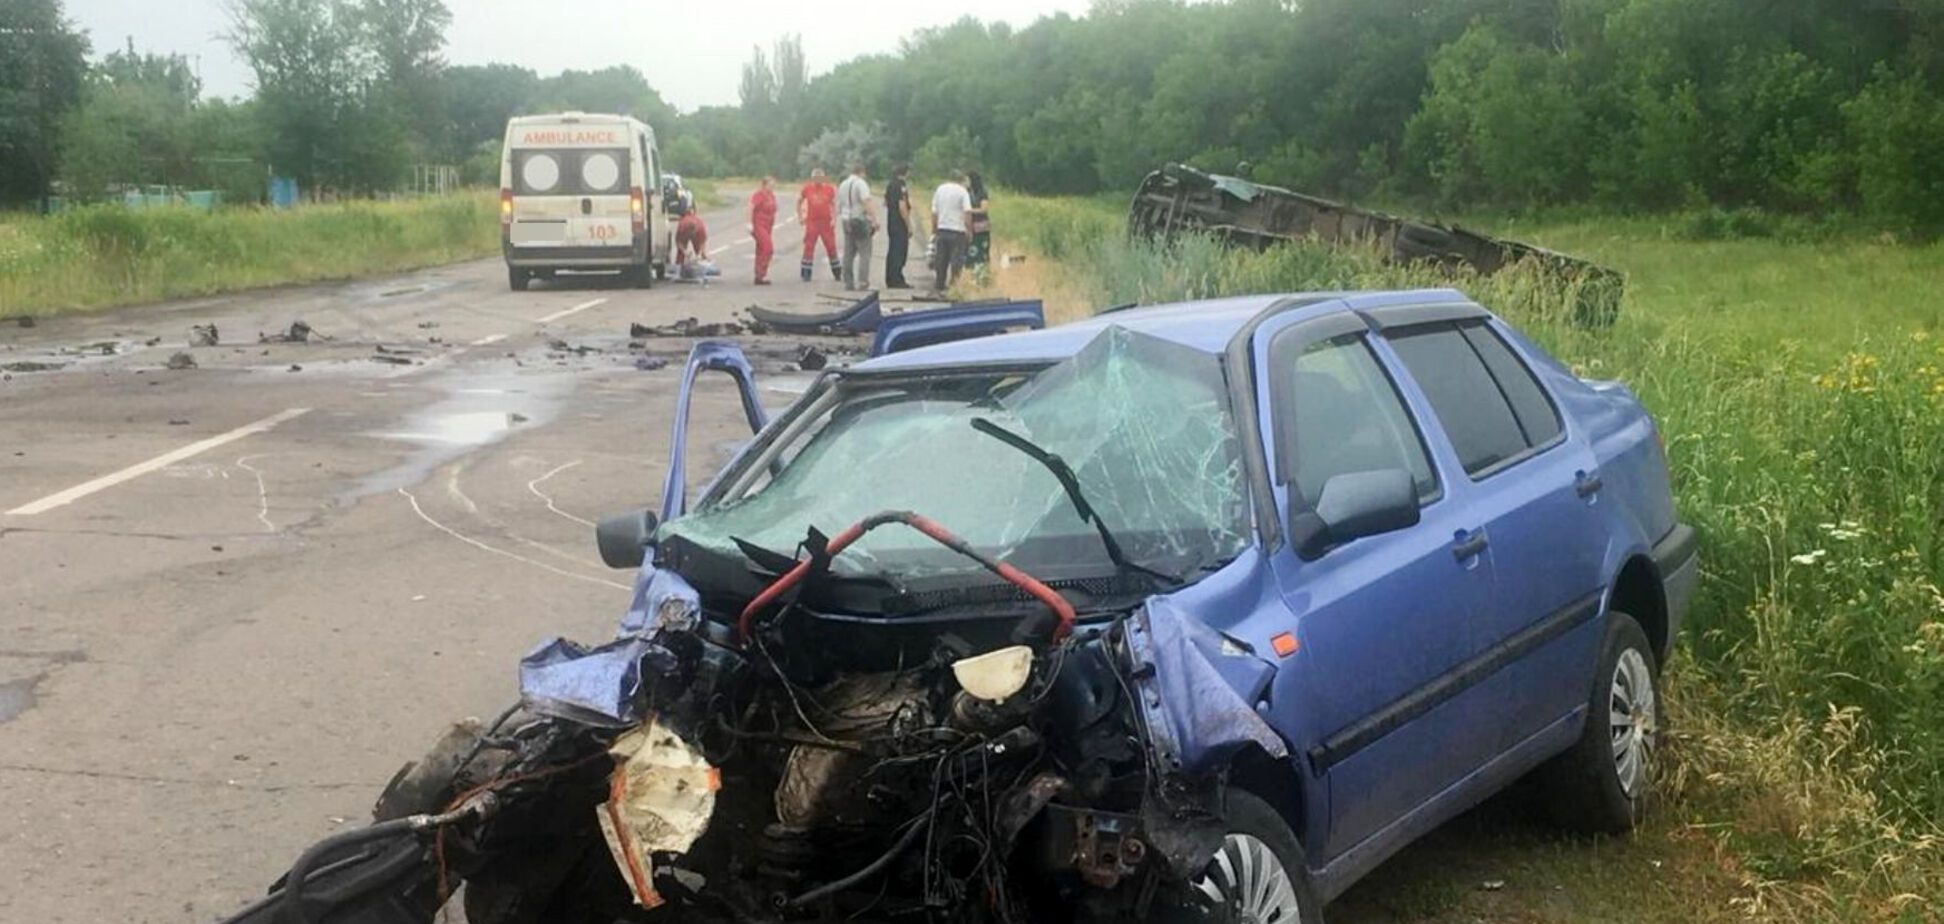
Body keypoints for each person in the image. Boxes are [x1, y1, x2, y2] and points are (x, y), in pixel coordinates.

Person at [930, 169, 973, 294]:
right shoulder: (962, 191)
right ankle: (954, 285)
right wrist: (969, 230)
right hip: (957, 230)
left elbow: (934, 211)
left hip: (942, 228)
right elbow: (967, 212)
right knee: (956, 259)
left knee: (941, 258)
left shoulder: (940, 189)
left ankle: (939, 283)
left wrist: (934, 228)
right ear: (960, 180)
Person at [836, 162, 877, 291]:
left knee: (848, 252)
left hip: (846, 219)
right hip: (859, 219)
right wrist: (873, 219)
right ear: (861, 172)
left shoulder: (843, 184)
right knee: (865, 252)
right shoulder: (860, 183)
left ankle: (848, 281)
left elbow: (840, 203)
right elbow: (866, 201)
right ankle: (863, 281)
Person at [797, 167, 839, 282]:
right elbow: (799, 201)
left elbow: (833, 205)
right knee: (809, 247)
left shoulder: (829, 189)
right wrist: (800, 216)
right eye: (816, 178)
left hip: (826, 222)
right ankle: (806, 273)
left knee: (831, 246)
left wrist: (834, 219)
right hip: (812, 221)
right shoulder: (807, 188)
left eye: (820, 177)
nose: (818, 180)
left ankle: (837, 272)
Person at [883, 164, 914, 289]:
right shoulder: (901, 186)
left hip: (891, 222)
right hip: (899, 223)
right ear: (906, 173)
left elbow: (885, 202)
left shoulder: (890, 184)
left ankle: (890, 278)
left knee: (892, 251)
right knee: (900, 252)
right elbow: (902, 207)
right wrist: (909, 225)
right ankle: (897, 279)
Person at [749, 176, 777, 285]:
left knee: (761, 250)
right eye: (770, 185)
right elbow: (750, 207)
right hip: (758, 225)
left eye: (774, 185)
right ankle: (761, 273)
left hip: (767, 225)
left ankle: (759, 276)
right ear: (764, 185)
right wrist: (749, 223)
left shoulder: (771, 196)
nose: (772, 187)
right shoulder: (758, 195)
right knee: (767, 248)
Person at [965, 170, 991, 270]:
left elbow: (984, 209)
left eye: (967, 180)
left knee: (981, 249)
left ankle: (982, 268)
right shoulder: (966, 192)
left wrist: (969, 210)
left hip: (981, 225)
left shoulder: (982, 192)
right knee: (970, 249)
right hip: (970, 224)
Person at [674, 203, 708, 269]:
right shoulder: (683, 226)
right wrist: (686, 253)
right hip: (687, 231)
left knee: (699, 252)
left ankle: (702, 262)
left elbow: (702, 242)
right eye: (690, 233)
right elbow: (678, 242)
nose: (691, 235)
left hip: (695, 231)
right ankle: (679, 265)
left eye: (693, 232)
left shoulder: (699, 227)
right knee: (681, 253)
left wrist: (700, 253)